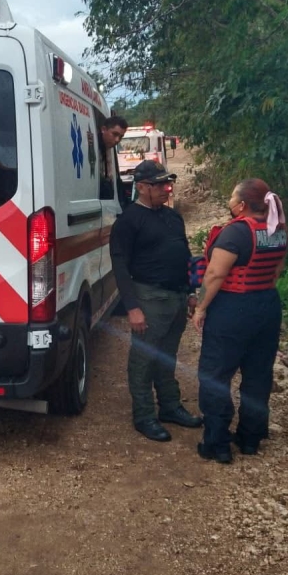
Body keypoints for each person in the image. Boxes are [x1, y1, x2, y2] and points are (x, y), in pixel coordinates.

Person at [192, 179, 288, 463]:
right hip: (268, 306)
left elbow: (214, 275)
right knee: (258, 375)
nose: (229, 204)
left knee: (215, 374)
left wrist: (200, 309)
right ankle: (250, 438)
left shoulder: (236, 233)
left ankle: (217, 443)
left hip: (233, 309)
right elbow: (277, 270)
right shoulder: (278, 229)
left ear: (242, 205)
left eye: (232, 199)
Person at [109, 160, 202, 441]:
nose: (166, 188)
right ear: (142, 187)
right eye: (159, 184)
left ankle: (170, 406)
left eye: (167, 183)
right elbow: (120, 267)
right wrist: (132, 308)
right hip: (148, 297)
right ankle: (144, 415)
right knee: (144, 358)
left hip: (176, 296)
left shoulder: (173, 217)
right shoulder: (128, 221)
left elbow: (185, 256)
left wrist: (190, 291)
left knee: (167, 356)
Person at [99, 114, 128, 201]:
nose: (117, 140)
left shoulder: (108, 148)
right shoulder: (95, 146)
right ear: (103, 129)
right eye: (115, 134)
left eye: (120, 137)